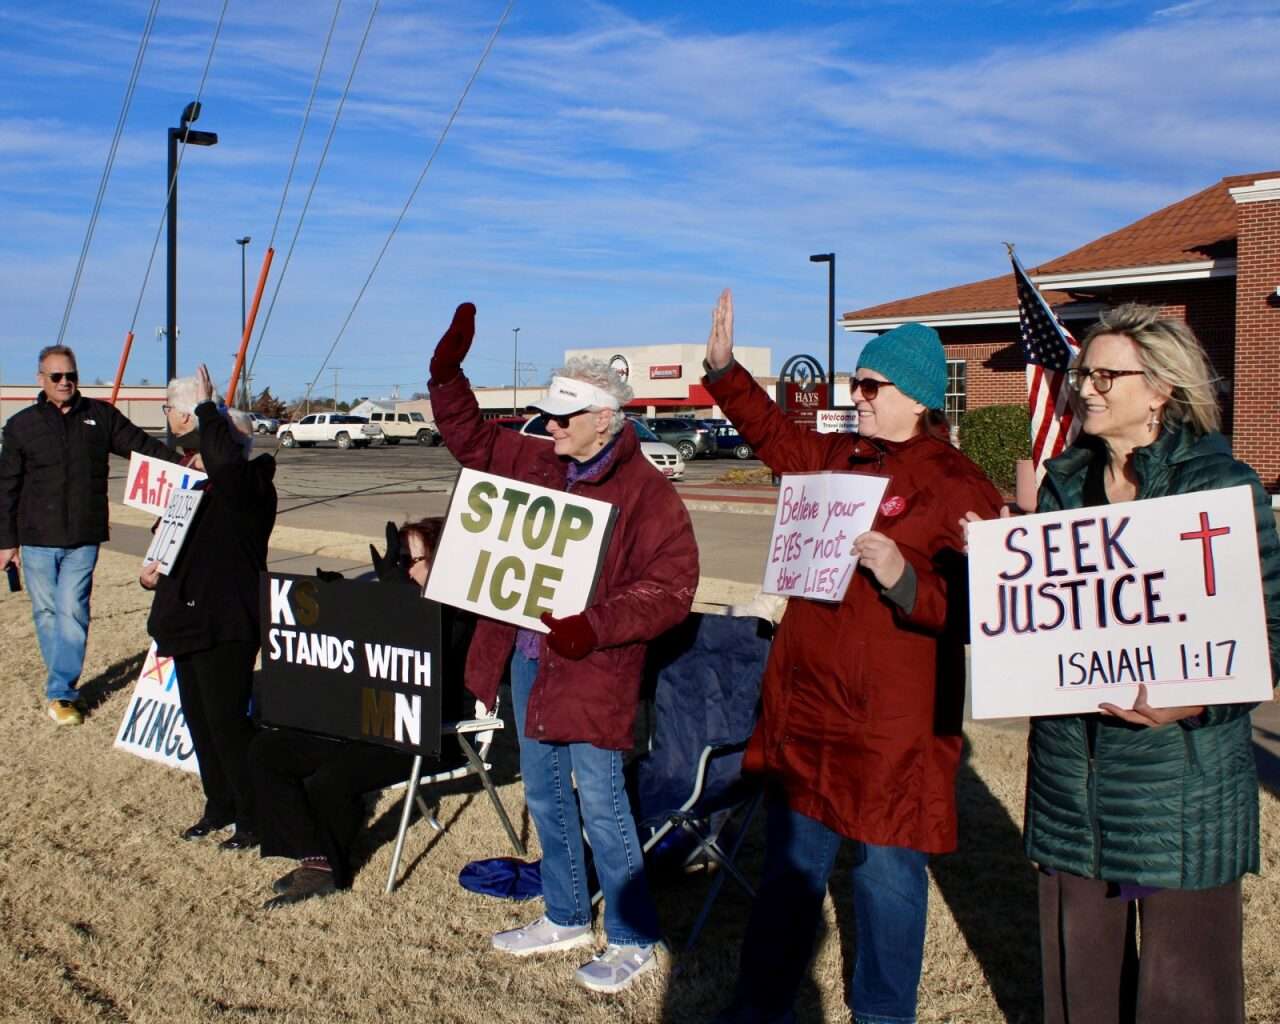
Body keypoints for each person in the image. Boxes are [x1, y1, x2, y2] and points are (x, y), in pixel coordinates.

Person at [702, 289, 1003, 1024]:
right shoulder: (837, 457)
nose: (857, 397)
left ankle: (881, 1014)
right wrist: (724, 372)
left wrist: (907, 581)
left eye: (874, 387)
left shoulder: (959, 485)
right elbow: (776, 438)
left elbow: (981, 609)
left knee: (889, 878)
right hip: (809, 710)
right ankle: (760, 1006)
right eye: (856, 384)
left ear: (920, 399)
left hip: (891, 727)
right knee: (792, 871)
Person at [1008, 305, 1280, 1024]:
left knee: (1186, 997)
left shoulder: (1220, 487)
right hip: (1073, 790)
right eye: (1082, 374)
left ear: (1160, 389)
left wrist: (1197, 701)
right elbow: (1040, 629)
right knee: (1079, 999)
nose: (1086, 390)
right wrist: (1002, 569)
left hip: (1178, 795)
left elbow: (1268, 632)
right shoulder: (1061, 488)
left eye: (1106, 375)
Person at [428, 303, 699, 994]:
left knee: (603, 804)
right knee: (546, 795)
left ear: (603, 419)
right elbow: (471, 442)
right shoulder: (539, 458)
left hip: (596, 669)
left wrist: (594, 624)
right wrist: (447, 373)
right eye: (548, 416)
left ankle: (634, 934)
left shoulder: (648, 494)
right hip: (529, 658)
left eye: (562, 417)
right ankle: (566, 913)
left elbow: (671, 587)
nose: (548, 427)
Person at [248, 517, 476, 909]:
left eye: (411, 560)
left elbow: (438, 661)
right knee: (268, 752)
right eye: (398, 560)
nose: (402, 569)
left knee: (332, 778)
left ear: (443, 561)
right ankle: (313, 853)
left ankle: (328, 870)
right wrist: (338, 604)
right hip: (368, 722)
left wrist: (400, 596)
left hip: (429, 732)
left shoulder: (461, 612)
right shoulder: (396, 596)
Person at [0, 345, 180, 726]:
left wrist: (184, 463)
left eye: (71, 376)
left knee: (73, 611)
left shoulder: (99, 417)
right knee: (48, 614)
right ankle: (61, 686)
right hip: (36, 539)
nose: (65, 382)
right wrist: (6, 541)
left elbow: (141, 447)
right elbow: (7, 487)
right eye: (56, 377)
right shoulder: (21, 426)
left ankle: (61, 691)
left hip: (83, 535)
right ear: (41, 380)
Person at [140, 365, 276, 851]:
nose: (198, 453)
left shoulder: (251, 489)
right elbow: (170, 545)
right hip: (186, 618)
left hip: (228, 622)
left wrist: (207, 407)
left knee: (227, 722)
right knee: (200, 720)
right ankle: (218, 803)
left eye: (209, 443)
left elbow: (225, 462)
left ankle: (252, 814)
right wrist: (150, 570)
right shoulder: (192, 489)